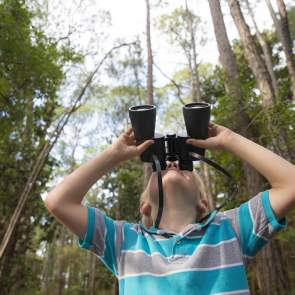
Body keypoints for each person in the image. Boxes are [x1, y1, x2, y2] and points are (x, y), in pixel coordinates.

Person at [44, 122, 295, 295]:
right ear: (144, 206)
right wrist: (114, 153)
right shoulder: (124, 242)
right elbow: (57, 201)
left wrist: (229, 140)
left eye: (185, 166)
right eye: (160, 167)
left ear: (203, 204)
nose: (172, 164)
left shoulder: (230, 229)